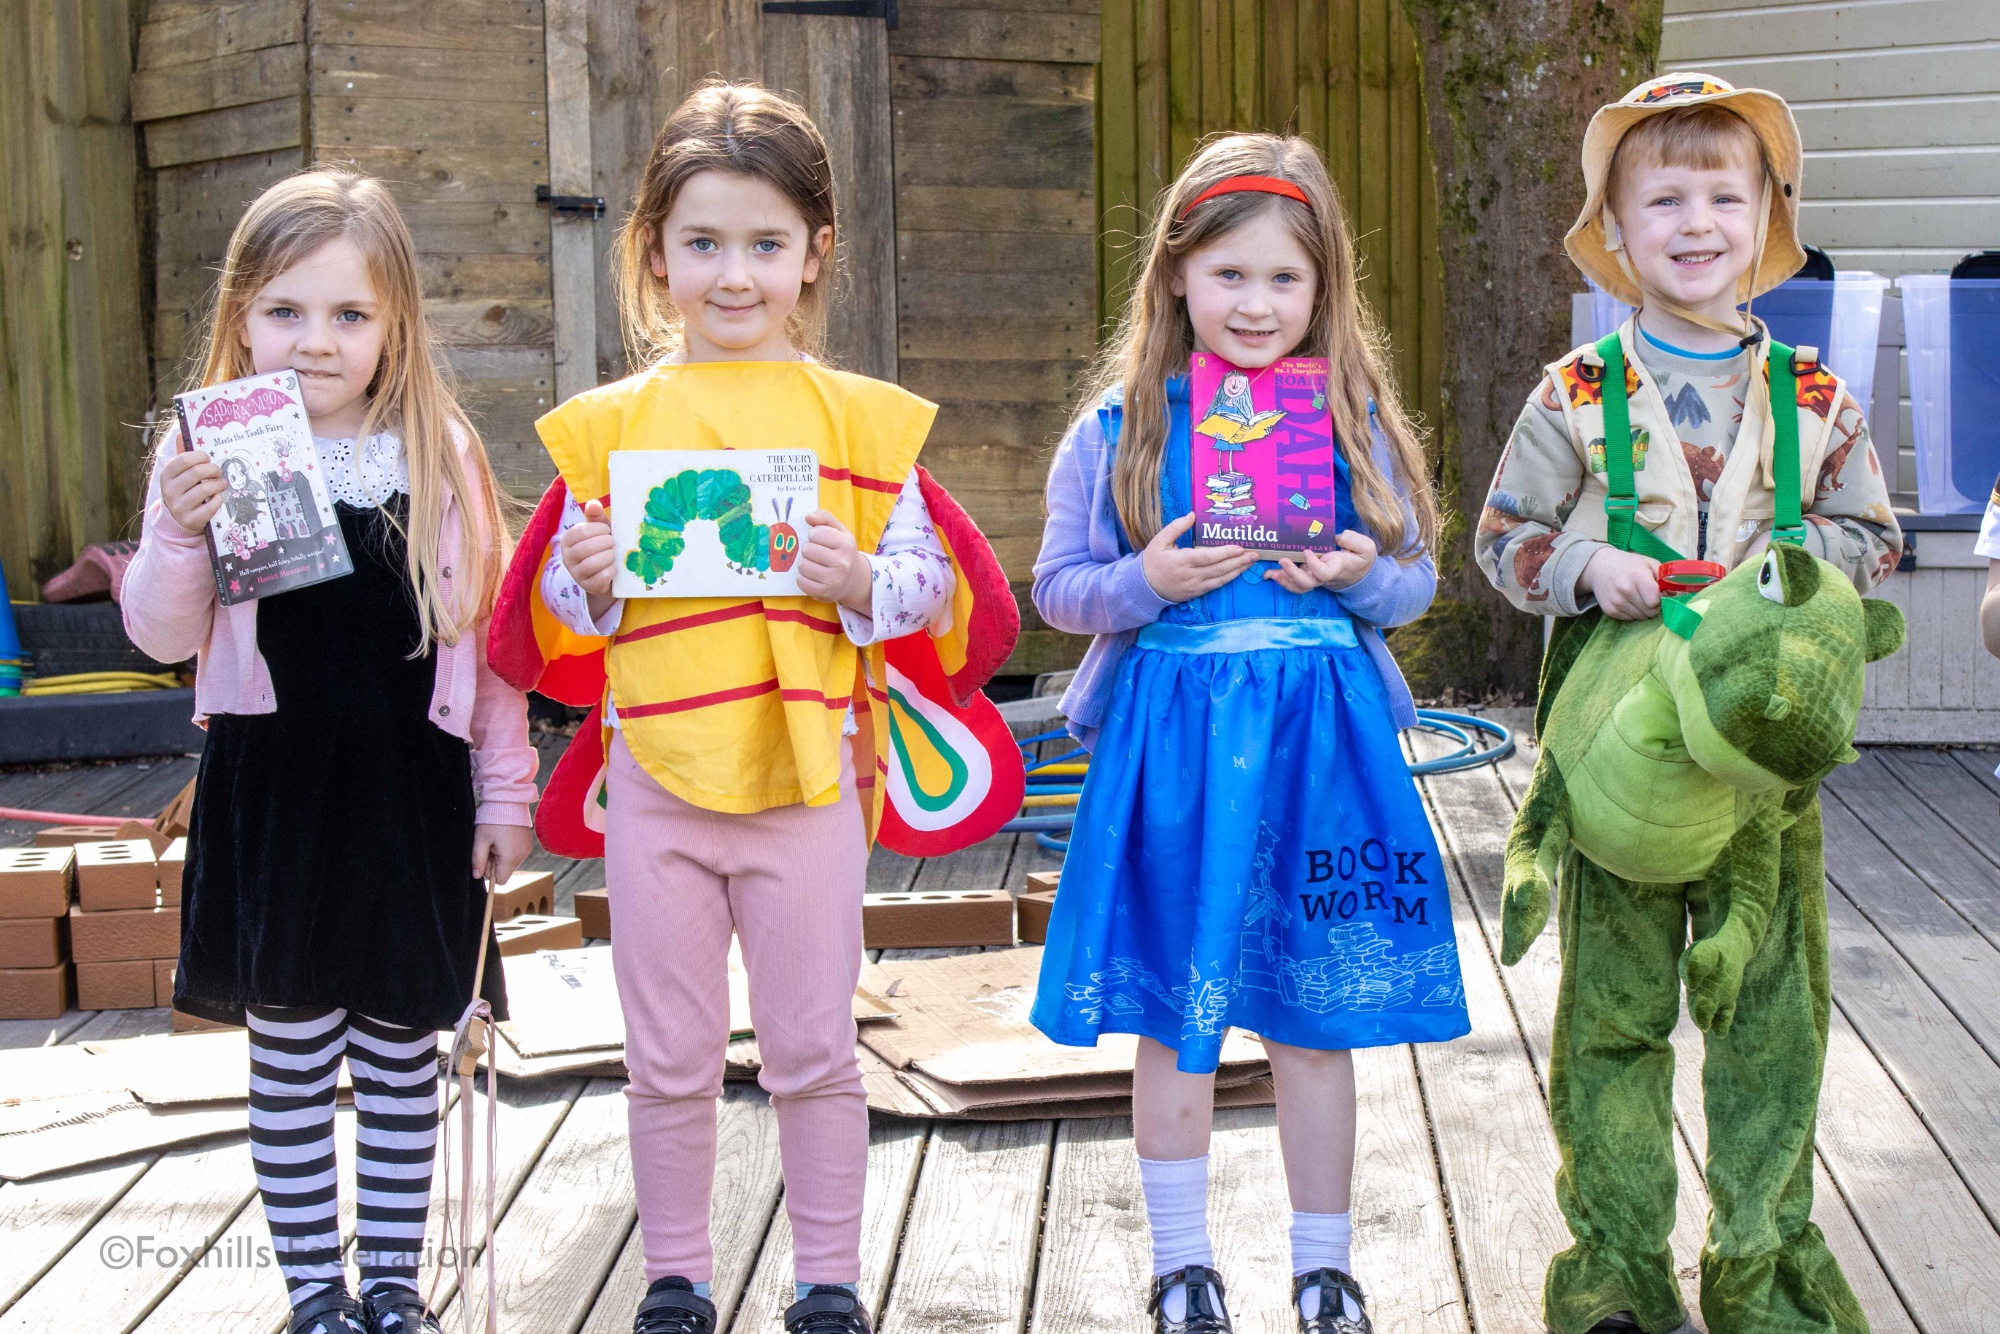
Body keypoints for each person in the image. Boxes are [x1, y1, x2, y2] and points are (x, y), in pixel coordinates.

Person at [520, 81, 1006, 1334]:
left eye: (764, 245)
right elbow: (562, 638)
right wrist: (592, 584)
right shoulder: (612, 434)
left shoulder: (857, 423)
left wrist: (859, 581)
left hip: (805, 785)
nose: (732, 275)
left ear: (812, 256)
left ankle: (827, 1279)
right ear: (654, 255)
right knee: (666, 1056)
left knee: (811, 1050)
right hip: (658, 785)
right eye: (701, 244)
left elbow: (930, 590)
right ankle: (674, 1275)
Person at [1474, 74, 1903, 1334]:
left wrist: (1793, 572)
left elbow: (1871, 539)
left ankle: (1758, 1264)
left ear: (1766, 220)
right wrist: (1580, 566)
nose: (1695, 219)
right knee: (1610, 1019)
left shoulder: (1815, 395)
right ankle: (1613, 1265)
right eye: (1661, 197)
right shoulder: (1574, 390)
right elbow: (1500, 540)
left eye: (1725, 194)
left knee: (1770, 1025)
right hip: (1616, 762)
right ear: (1614, 229)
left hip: (1760, 772)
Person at [1029, 132, 1468, 1334]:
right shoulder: (1118, 428)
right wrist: (1145, 580)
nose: (1256, 303)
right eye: (1228, 275)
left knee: (1311, 1016)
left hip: (1320, 756)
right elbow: (1056, 588)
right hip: (1171, 757)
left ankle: (1324, 1267)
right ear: (1173, 275)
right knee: (1178, 1013)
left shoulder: (1349, 417)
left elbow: (1416, 583)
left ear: (1324, 286)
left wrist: (1360, 571)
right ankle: (1181, 1267)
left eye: (1284, 278)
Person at [122, 170, 537, 1334]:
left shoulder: (437, 450)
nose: (315, 341)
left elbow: (487, 641)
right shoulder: (207, 451)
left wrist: (504, 793)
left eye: (350, 315)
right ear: (239, 315)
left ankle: (393, 1283)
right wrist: (177, 526)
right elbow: (158, 633)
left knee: (404, 1046)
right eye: (286, 313)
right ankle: (316, 1289)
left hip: (412, 791)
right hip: (278, 791)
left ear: (395, 322)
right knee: (293, 1043)